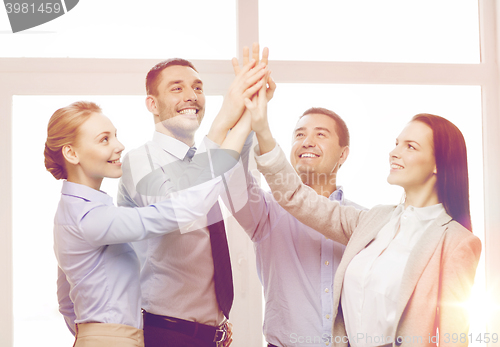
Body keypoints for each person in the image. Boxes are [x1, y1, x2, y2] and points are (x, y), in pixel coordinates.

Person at [242, 84, 482, 346]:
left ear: (439, 163)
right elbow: (296, 197)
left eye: (410, 146)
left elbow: (453, 338)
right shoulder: (373, 220)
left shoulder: (457, 242)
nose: (394, 152)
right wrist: (261, 127)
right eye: (396, 143)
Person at [46, 101, 247, 347]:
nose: (119, 146)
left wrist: (92, 335)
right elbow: (179, 211)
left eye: (115, 136)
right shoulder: (88, 218)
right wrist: (243, 128)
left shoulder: (71, 212)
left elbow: (67, 301)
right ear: (71, 153)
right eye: (104, 140)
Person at [117, 55, 272, 347]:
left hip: (215, 335)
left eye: (198, 88)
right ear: (152, 104)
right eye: (177, 88)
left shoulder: (206, 158)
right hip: (166, 333)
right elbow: (181, 210)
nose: (192, 96)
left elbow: (238, 186)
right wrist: (227, 118)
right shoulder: (139, 160)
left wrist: (251, 110)